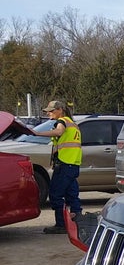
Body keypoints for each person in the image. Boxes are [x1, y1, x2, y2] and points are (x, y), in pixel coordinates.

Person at [33, 99, 82, 234]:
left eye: (51, 111)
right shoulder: (73, 124)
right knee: (72, 194)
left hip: (65, 164)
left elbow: (59, 132)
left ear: (60, 110)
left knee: (55, 194)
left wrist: (37, 133)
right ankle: (78, 221)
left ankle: (61, 224)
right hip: (73, 164)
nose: (49, 113)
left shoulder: (62, 122)